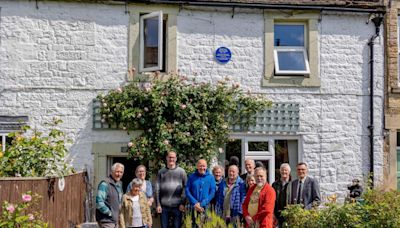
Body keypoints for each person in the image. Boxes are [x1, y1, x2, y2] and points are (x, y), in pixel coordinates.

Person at [155, 151, 187, 228]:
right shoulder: (161, 172)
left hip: (178, 206)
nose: (171, 159)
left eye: (173, 157)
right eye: (169, 157)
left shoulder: (181, 172)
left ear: (176, 159)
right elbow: (157, 189)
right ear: (166, 158)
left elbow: (186, 188)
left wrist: (183, 203)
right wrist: (158, 204)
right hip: (164, 206)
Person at [185, 159, 216, 226]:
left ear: (206, 166)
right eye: (200, 166)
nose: (202, 168)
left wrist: (203, 203)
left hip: (206, 207)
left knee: (205, 225)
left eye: (203, 166)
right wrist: (195, 203)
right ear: (197, 166)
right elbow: (187, 190)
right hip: (193, 206)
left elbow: (212, 192)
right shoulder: (191, 177)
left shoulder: (211, 177)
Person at [96, 163, 125, 228]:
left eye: (121, 172)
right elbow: (99, 202)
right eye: (117, 172)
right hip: (106, 221)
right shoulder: (105, 184)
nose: (119, 174)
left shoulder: (119, 184)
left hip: (115, 221)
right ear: (112, 172)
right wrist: (110, 213)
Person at [272, 163, 291, 228]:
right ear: (280, 171)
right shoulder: (275, 184)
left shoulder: (292, 184)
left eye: (286, 170)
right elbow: (272, 200)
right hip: (277, 213)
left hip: (289, 214)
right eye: (282, 170)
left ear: (289, 172)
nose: (284, 172)